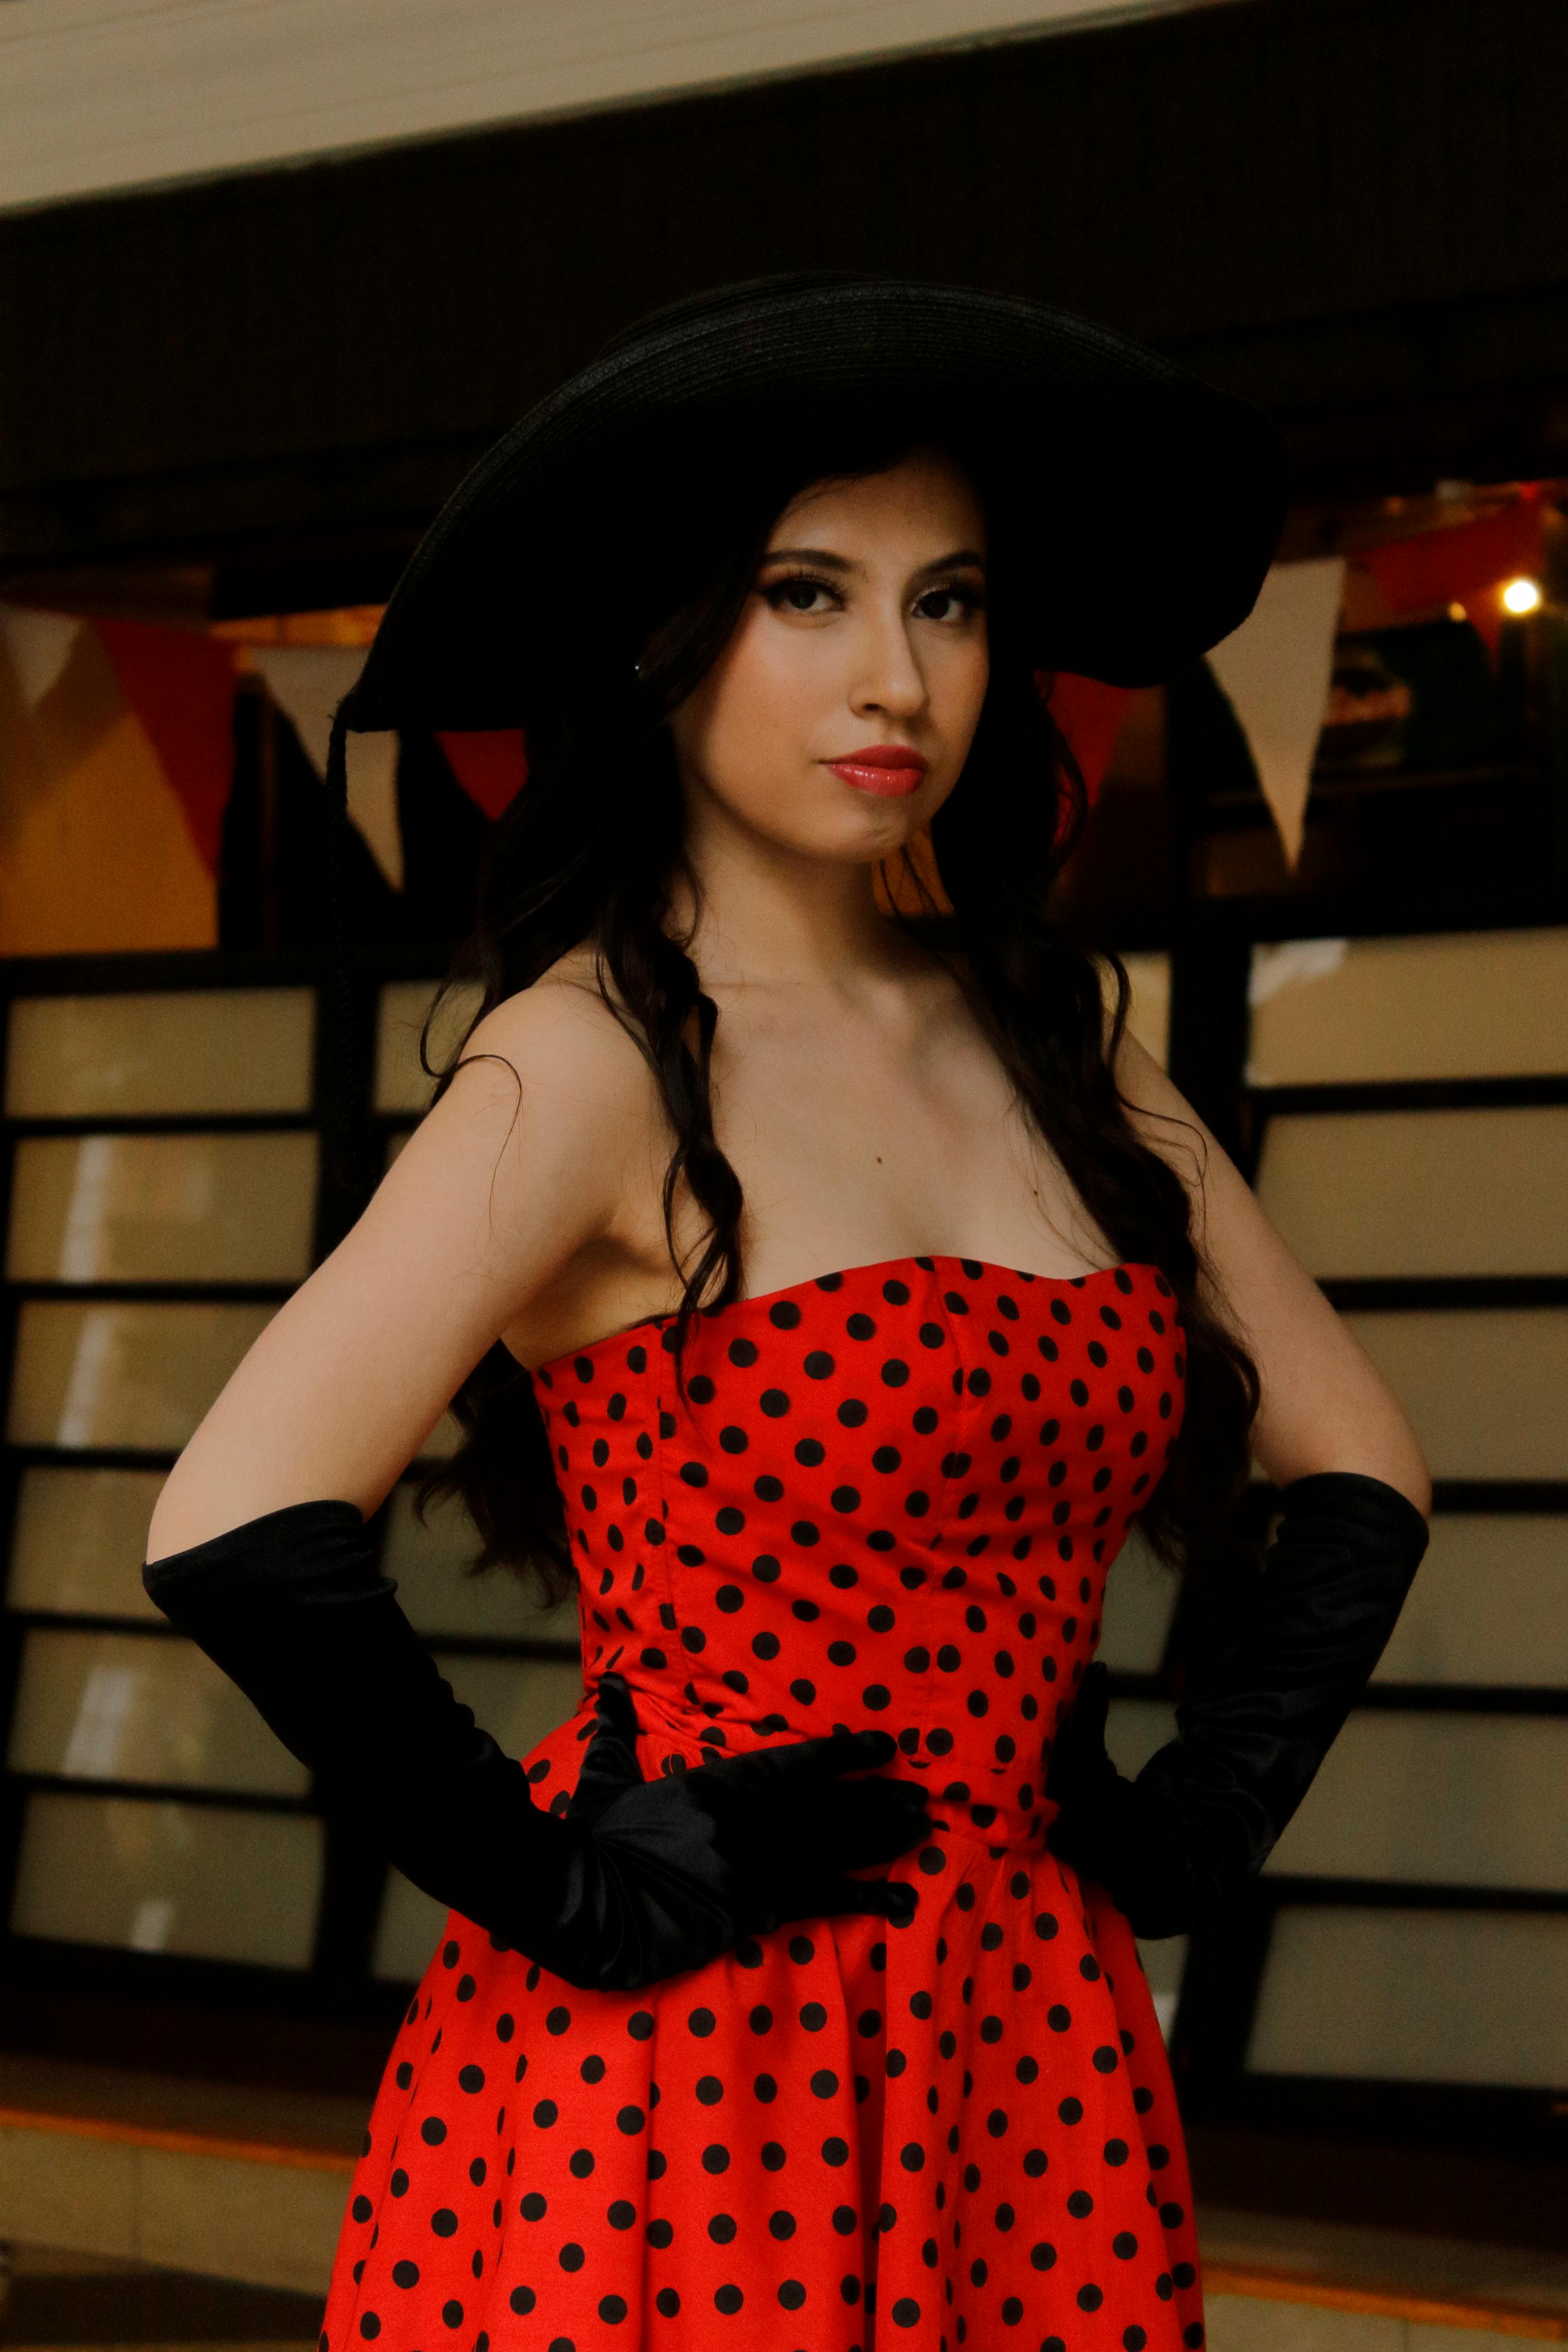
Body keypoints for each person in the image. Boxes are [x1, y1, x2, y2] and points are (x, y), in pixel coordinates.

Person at [145, 277, 1431, 2352]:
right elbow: (232, 1517)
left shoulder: (1056, 1043)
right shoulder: (583, 1062)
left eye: (949, 602)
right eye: (810, 595)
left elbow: (1361, 1464)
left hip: (1033, 2042)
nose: (897, 676)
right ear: (666, 640)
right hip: (686, 2050)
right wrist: (565, 1887)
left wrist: (1198, 1813)